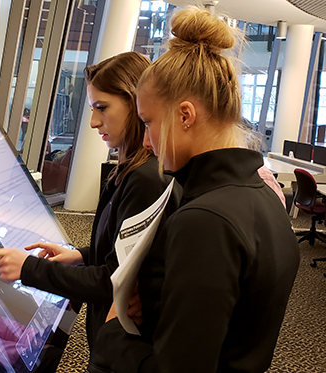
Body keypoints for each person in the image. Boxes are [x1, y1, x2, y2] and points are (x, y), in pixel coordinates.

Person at [87, 7, 300, 373]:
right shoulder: (262, 196)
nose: (149, 141)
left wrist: (111, 333)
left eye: (149, 122)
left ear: (185, 115)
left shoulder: (206, 220)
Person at [0, 51, 179, 351]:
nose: (95, 122)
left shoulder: (145, 179)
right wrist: (82, 255)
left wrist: (29, 269)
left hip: (126, 340)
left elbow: (115, 279)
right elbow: (125, 250)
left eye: (102, 108)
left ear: (136, 102)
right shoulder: (130, 171)